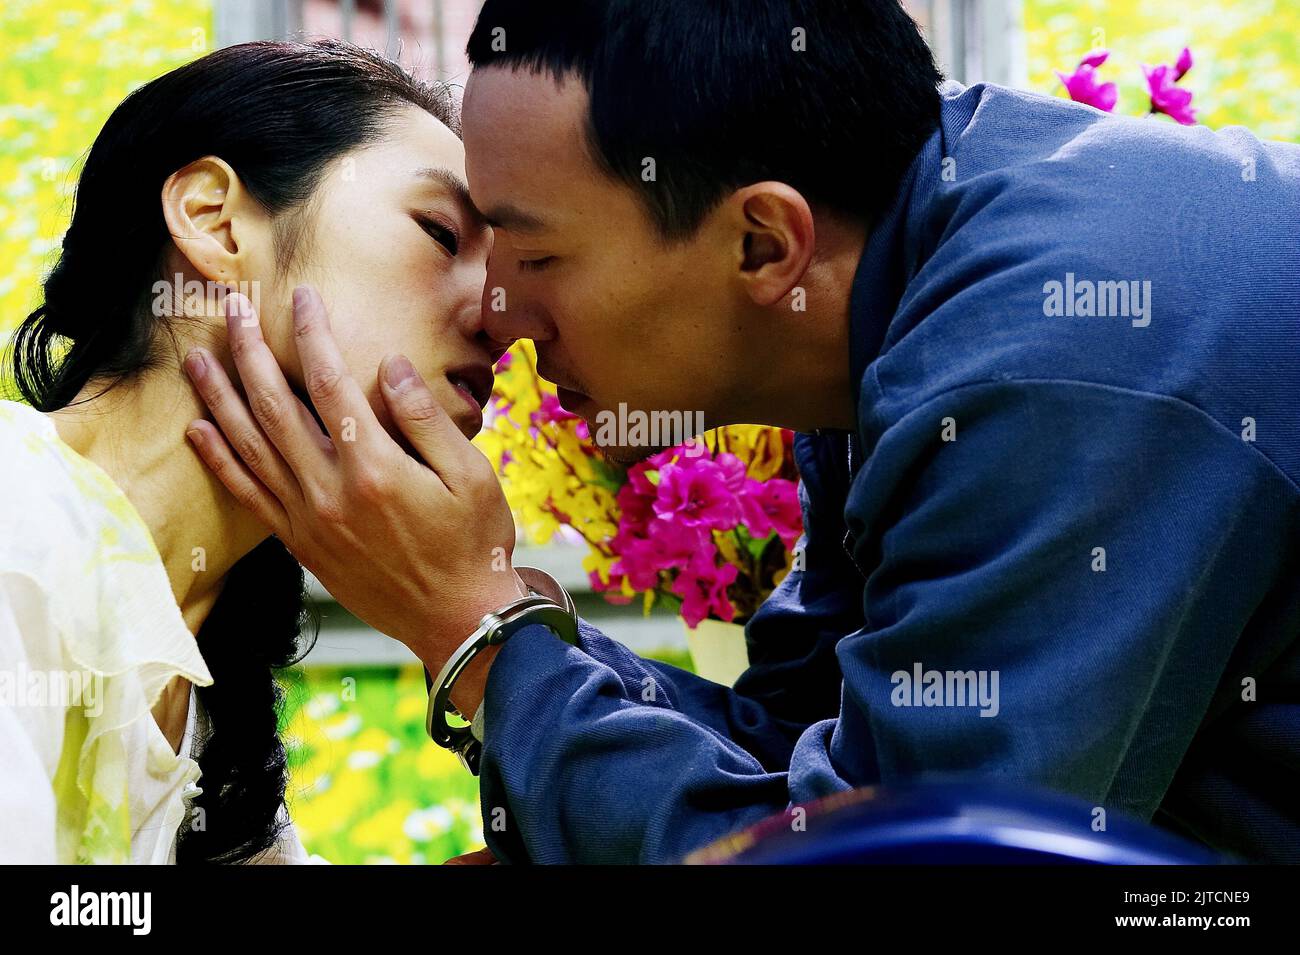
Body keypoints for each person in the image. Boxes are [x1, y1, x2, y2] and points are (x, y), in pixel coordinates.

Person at [184, 0, 1300, 864]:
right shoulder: (907, 288)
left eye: (533, 254)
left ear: (764, 243)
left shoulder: (1055, 366)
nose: (500, 316)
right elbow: (792, 752)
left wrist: (475, 636)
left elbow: (884, 863)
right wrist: (512, 620)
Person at [0, 38, 506, 863]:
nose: (502, 315)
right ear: (212, 220)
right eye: (442, 235)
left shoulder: (205, 694)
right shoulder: (13, 519)